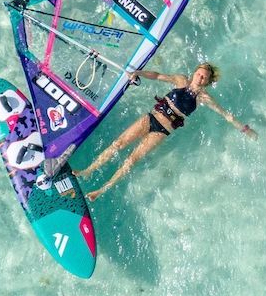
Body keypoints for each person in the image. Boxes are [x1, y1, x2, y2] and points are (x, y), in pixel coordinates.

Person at [78, 62, 256, 201]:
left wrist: (245, 129)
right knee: (118, 144)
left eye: (204, 77)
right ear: (194, 73)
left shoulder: (204, 98)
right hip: (150, 118)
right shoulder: (180, 80)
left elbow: (226, 115)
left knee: (131, 160)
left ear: (208, 82)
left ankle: (101, 190)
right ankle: (88, 170)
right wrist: (137, 73)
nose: (200, 77)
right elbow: (156, 76)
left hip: (162, 131)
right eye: (199, 73)